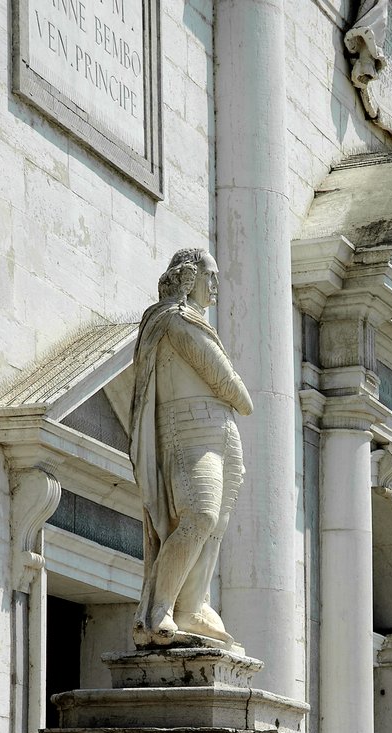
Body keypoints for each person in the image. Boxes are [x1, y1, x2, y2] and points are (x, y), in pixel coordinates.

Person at [129, 248, 253, 647]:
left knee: (215, 524)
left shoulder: (191, 321)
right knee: (198, 515)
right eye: (209, 276)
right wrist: (239, 392)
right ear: (188, 277)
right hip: (191, 429)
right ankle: (156, 610)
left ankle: (191, 606)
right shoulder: (175, 320)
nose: (216, 285)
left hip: (220, 432)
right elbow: (223, 379)